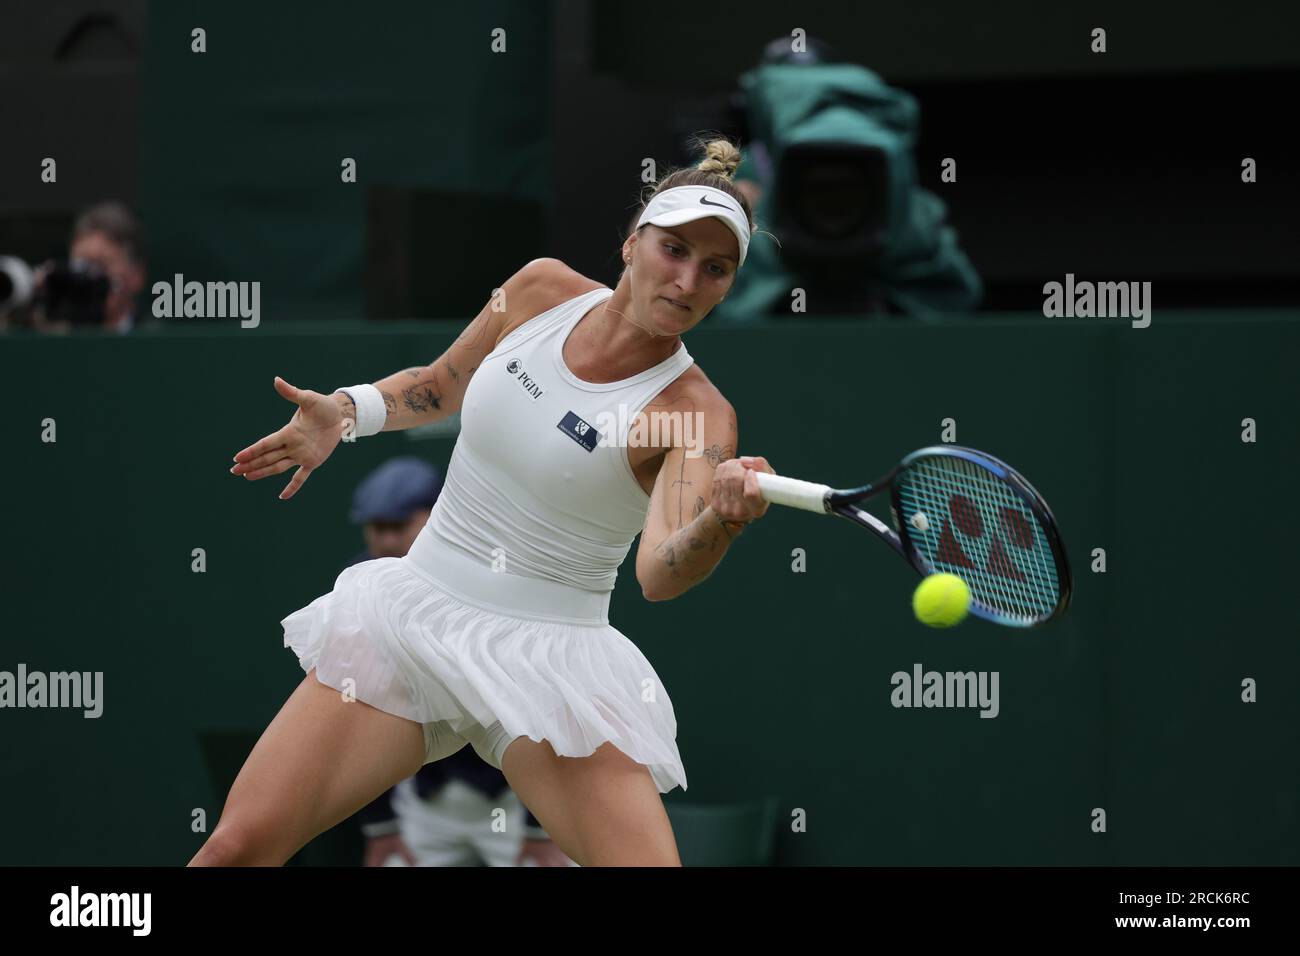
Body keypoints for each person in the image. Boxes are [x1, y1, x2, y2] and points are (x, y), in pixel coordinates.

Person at [191, 137, 776, 867]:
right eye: (674, 250)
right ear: (632, 243)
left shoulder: (697, 415)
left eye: (715, 269)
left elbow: (661, 573)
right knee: (236, 850)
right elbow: (441, 383)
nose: (688, 280)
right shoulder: (539, 289)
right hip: (413, 621)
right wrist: (347, 411)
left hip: (554, 667)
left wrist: (720, 522)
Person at [343, 457, 571, 866]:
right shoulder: (362, 587)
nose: (387, 542)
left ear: (437, 518)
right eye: (376, 529)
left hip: (515, 800)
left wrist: (543, 826)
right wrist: (381, 826)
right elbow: (356, 711)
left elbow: (547, 701)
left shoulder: (499, 580)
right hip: (424, 803)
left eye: (398, 527)